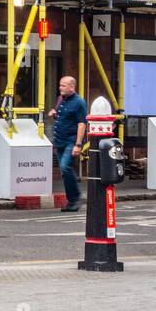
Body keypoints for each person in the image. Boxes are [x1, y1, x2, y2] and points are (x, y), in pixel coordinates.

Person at [51, 75, 87, 212]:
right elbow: (61, 116)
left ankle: (76, 197)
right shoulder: (61, 99)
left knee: (65, 167)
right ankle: (72, 201)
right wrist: (54, 113)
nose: (60, 88)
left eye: (63, 85)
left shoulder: (79, 102)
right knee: (64, 170)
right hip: (59, 141)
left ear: (72, 87)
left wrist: (78, 145)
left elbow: (82, 124)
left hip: (71, 141)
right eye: (60, 85)